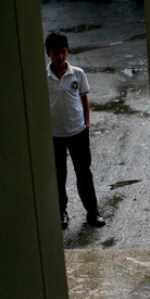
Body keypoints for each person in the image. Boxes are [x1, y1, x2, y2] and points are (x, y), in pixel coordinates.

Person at [46, 32, 105, 230]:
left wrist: (86, 123)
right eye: (55, 53)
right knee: (58, 176)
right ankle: (61, 212)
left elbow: (84, 100)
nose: (60, 57)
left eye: (63, 52)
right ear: (48, 54)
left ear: (68, 51)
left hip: (78, 132)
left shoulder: (77, 74)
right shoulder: (43, 77)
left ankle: (93, 212)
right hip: (54, 135)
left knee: (83, 173)